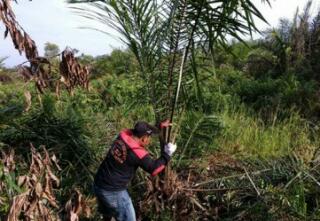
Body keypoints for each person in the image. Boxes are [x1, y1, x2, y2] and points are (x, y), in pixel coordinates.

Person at [93, 121, 177, 221]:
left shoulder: (123, 135)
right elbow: (154, 169)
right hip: (113, 192)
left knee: (108, 215)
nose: (149, 140)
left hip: (99, 184)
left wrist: (158, 127)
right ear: (143, 138)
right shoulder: (137, 153)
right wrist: (167, 154)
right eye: (149, 138)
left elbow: (140, 131)